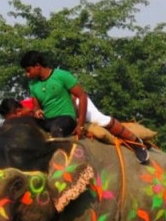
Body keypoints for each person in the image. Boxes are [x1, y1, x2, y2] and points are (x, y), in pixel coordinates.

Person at [19, 50, 149, 163]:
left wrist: (80, 125)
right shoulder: (33, 85)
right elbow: (36, 105)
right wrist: (37, 111)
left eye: (28, 70)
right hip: (52, 115)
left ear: (37, 66)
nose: (26, 74)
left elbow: (81, 96)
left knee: (99, 119)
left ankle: (136, 143)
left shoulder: (62, 76)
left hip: (73, 104)